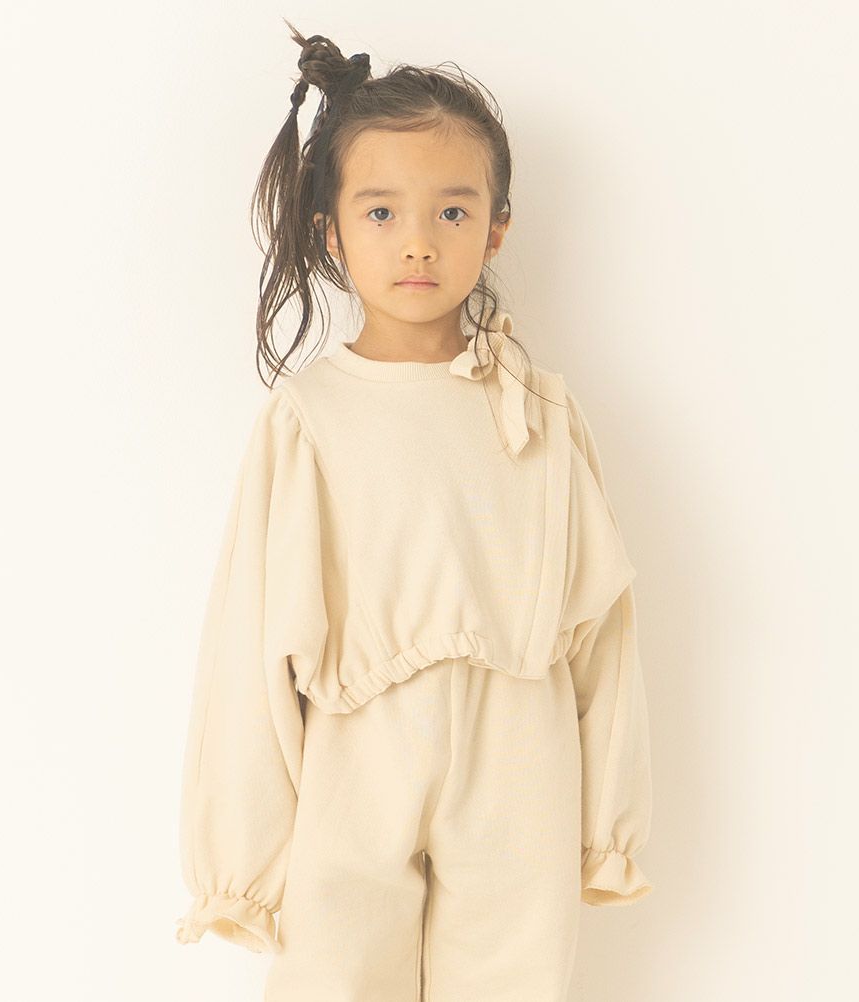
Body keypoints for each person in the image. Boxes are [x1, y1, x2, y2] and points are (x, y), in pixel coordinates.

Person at [174, 19, 654, 1002]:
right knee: (334, 978)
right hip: (358, 758)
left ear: (497, 228)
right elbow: (251, 641)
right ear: (332, 230)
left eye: (452, 210)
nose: (419, 242)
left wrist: (608, 821)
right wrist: (242, 859)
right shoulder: (310, 418)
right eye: (383, 212)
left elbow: (602, 629)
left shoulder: (540, 411)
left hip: (519, 759)